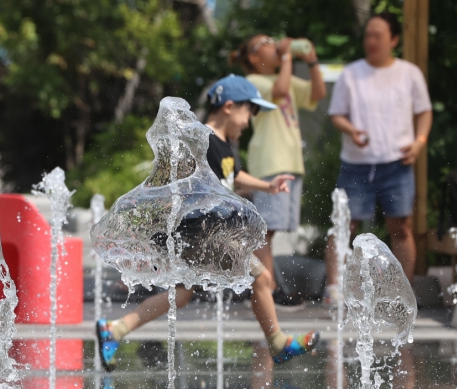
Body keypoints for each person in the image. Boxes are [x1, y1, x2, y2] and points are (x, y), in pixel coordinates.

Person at [95, 75, 320, 372]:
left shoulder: (225, 145)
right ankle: (277, 343)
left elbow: (234, 177)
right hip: (204, 233)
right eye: (249, 113)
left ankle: (116, 329)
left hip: (203, 234)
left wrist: (267, 186)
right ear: (229, 107)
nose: (249, 122)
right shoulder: (206, 140)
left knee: (183, 293)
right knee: (262, 279)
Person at [324, 12, 433, 305]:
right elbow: (337, 115)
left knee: (401, 226)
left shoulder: (409, 73)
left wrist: (419, 142)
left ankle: (402, 293)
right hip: (357, 161)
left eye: (377, 36)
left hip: (397, 162)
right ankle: (334, 288)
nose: (370, 41)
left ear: (393, 40)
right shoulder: (351, 73)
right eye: (367, 35)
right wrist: (352, 130)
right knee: (344, 224)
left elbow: (424, 112)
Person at [231, 35, 326, 310]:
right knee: (266, 231)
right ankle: (267, 291)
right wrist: (287, 57)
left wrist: (312, 61)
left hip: (288, 162)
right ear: (252, 57)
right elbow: (281, 91)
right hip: (271, 162)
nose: (275, 44)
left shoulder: (279, 76)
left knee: (270, 231)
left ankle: (267, 287)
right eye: (267, 42)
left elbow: (316, 94)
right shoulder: (254, 82)